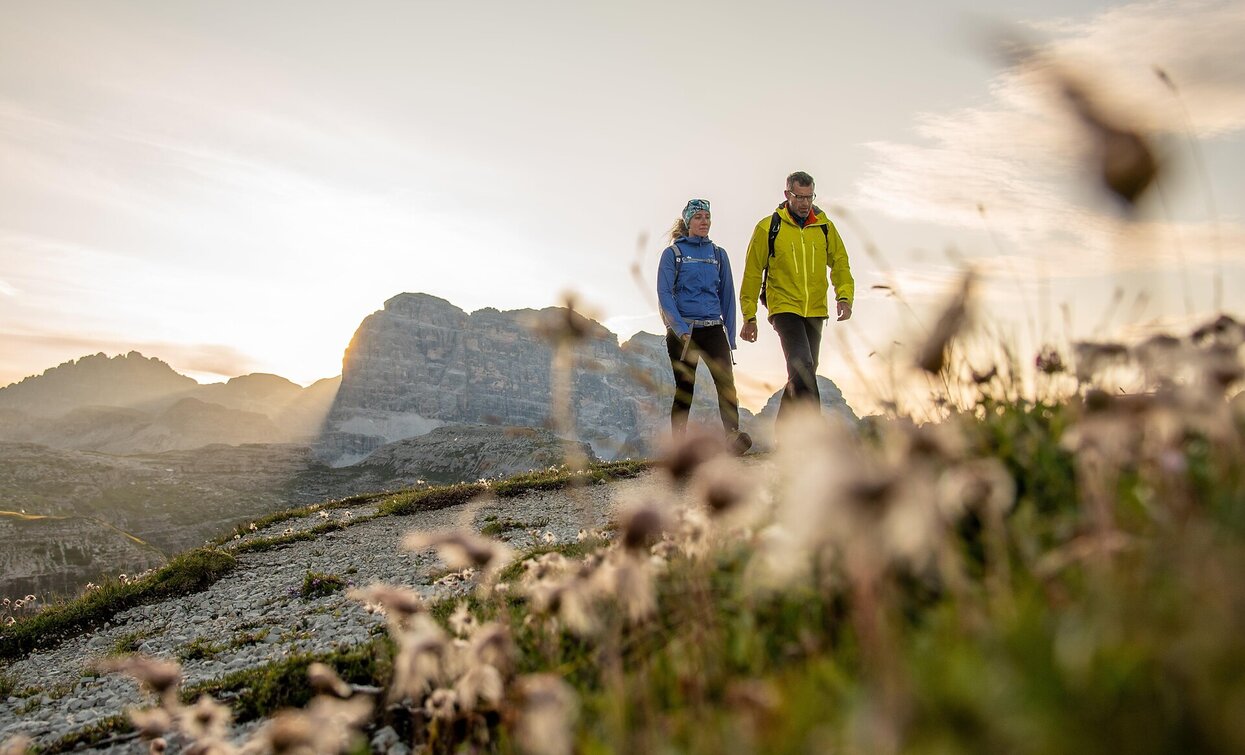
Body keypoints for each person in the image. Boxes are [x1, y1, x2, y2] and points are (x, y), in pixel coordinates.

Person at [739, 171, 854, 420]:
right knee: (802, 364)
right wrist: (749, 316)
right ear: (787, 194)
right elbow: (752, 273)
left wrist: (843, 296)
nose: (804, 203)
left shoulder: (824, 227)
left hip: (815, 309)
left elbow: (840, 263)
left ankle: (785, 432)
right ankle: (812, 436)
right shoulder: (768, 228)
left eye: (809, 197)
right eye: (798, 197)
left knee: (803, 371)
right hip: (783, 308)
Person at [657, 198, 752, 454]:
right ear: (688, 221)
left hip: (713, 329)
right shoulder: (673, 254)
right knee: (686, 388)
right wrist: (679, 328)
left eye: (707, 217)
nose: (704, 222)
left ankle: (732, 436)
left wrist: (730, 337)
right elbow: (664, 294)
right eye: (698, 217)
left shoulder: (718, 255)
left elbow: (727, 297)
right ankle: (680, 447)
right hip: (684, 332)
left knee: (726, 384)